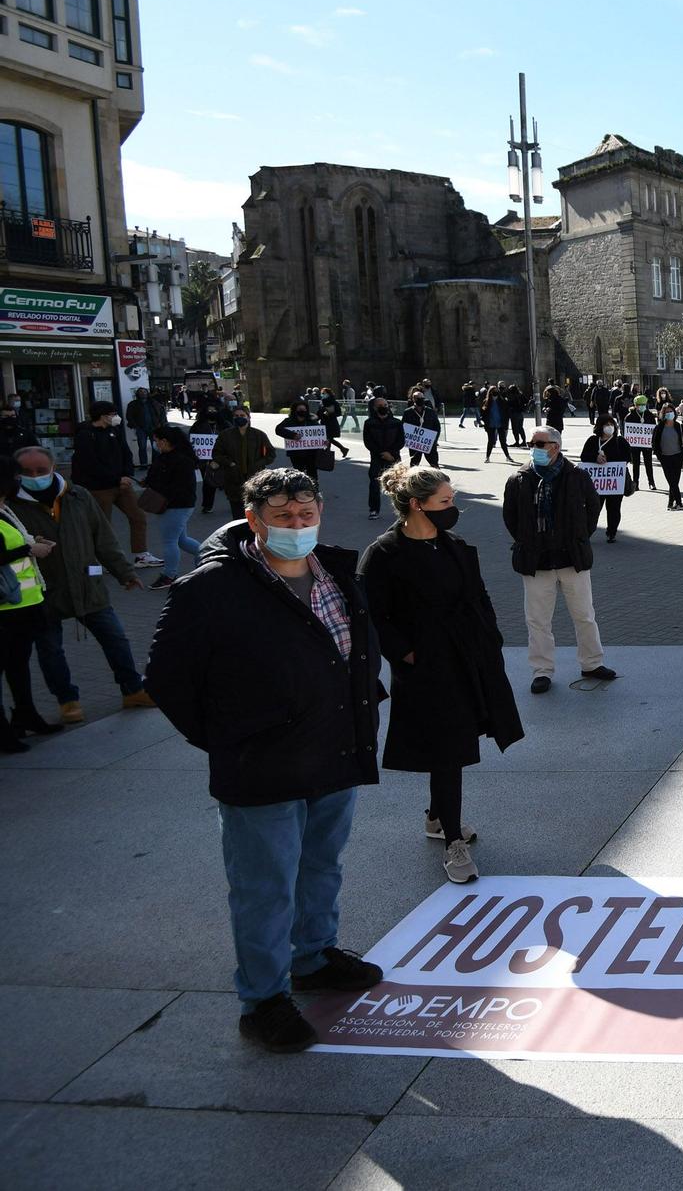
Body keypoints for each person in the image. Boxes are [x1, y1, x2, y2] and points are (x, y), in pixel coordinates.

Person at [145, 467, 386, 1053]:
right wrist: (229, 738)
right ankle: (264, 999)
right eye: (283, 518)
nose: (297, 526)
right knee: (264, 886)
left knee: (321, 866)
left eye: (306, 515)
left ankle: (313, 956)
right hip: (261, 766)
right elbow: (166, 678)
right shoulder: (212, 588)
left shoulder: (335, 571)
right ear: (254, 521)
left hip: (333, 751)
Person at [359, 464, 523, 886]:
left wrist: (491, 637)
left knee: (452, 744)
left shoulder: (456, 546)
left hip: (466, 657)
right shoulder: (384, 553)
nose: (454, 509)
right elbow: (373, 614)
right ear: (417, 505)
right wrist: (406, 654)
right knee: (448, 748)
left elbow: (479, 594)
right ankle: (453, 840)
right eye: (445, 502)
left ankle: (436, 817)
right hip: (425, 667)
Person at [11, 444, 154, 722]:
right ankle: (67, 701)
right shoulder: (11, 507)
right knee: (50, 650)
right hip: (42, 592)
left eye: (41, 470)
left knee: (115, 639)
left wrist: (125, 572)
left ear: (53, 468)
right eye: (27, 472)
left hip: (87, 585)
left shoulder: (78, 495)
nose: (35, 475)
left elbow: (103, 538)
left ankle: (133, 689)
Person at [502, 426, 616, 694]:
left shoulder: (576, 476)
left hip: (571, 558)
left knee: (584, 615)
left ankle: (592, 663)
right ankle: (542, 670)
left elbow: (593, 507)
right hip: (536, 560)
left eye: (539, 443)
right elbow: (510, 516)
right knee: (537, 619)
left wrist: (579, 537)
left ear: (556, 446)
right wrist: (527, 540)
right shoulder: (519, 478)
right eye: (532, 443)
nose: (534, 447)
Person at [0, 473, 56, 751]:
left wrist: (32, 544)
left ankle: (25, 714)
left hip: (22, 603)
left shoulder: (6, 511)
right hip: (6, 605)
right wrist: (28, 548)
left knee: (18, 664)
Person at [74, 401, 161, 567]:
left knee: (138, 516)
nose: (116, 417)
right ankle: (104, 559)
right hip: (99, 488)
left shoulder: (114, 430)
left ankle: (141, 555)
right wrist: (116, 479)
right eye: (112, 414)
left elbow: (126, 452)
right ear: (102, 416)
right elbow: (90, 464)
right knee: (103, 525)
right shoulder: (85, 435)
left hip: (122, 485)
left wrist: (127, 473)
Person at [142, 425, 202, 589]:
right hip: (176, 504)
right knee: (181, 540)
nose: (154, 444)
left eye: (156, 441)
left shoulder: (180, 460)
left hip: (175, 505)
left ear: (164, 441)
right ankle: (207, 557)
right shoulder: (169, 457)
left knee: (170, 541)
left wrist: (155, 487)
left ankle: (169, 575)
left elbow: (177, 486)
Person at [580, 416, 636, 542]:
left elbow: (627, 457)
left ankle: (612, 532)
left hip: (615, 482)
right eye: (607, 424)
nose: (610, 427)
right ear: (600, 426)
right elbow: (583, 456)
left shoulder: (620, 441)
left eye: (612, 424)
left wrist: (608, 459)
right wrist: (596, 458)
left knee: (614, 508)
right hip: (597, 484)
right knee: (594, 508)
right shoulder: (593, 441)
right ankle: (587, 532)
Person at [361, 398, 405, 521]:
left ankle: (402, 509)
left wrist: (391, 453)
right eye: (380, 405)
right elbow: (368, 442)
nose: (384, 406)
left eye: (385, 404)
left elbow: (401, 441)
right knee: (374, 484)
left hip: (394, 457)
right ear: (375, 408)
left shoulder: (396, 422)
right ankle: (374, 509)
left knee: (398, 484)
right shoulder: (369, 423)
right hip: (377, 458)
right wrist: (382, 453)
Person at [275, 401, 326, 485]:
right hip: (296, 453)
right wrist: (293, 435)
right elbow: (278, 429)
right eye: (299, 409)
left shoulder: (312, 421)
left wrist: (324, 441)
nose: (302, 411)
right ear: (295, 410)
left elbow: (319, 433)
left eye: (304, 409)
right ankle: (300, 490)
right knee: (298, 473)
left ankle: (314, 490)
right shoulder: (289, 421)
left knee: (312, 473)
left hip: (311, 453)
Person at [655, 399, 683, 509]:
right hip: (665, 458)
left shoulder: (680, 426)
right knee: (672, 481)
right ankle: (679, 502)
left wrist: (682, 455)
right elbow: (655, 443)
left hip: (677, 457)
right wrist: (660, 457)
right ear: (663, 414)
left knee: (674, 482)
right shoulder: (659, 427)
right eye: (667, 412)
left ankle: (671, 503)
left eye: (671, 411)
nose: (669, 414)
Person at [125, 387, 165, 468]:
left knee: (155, 447)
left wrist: (161, 423)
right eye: (141, 392)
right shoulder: (133, 404)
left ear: (147, 393)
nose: (143, 393)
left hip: (153, 428)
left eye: (144, 391)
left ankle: (155, 464)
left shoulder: (153, 403)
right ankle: (144, 464)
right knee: (142, 447)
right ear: (137, 394)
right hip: (141, 429)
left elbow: (161, 412)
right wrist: (135, 425)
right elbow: (129, 416)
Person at [402, 392, 441, 469]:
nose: (420, 400)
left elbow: (437, 426)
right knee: (414, 464)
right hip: (415, 442)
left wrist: (435, 439)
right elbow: (404, 426)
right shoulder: (408, 412)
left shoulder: (430, 411)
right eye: (418, 398)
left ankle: (438, 479)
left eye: (422, 398)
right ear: (413, 399)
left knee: (434, 464)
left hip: (429, 442)